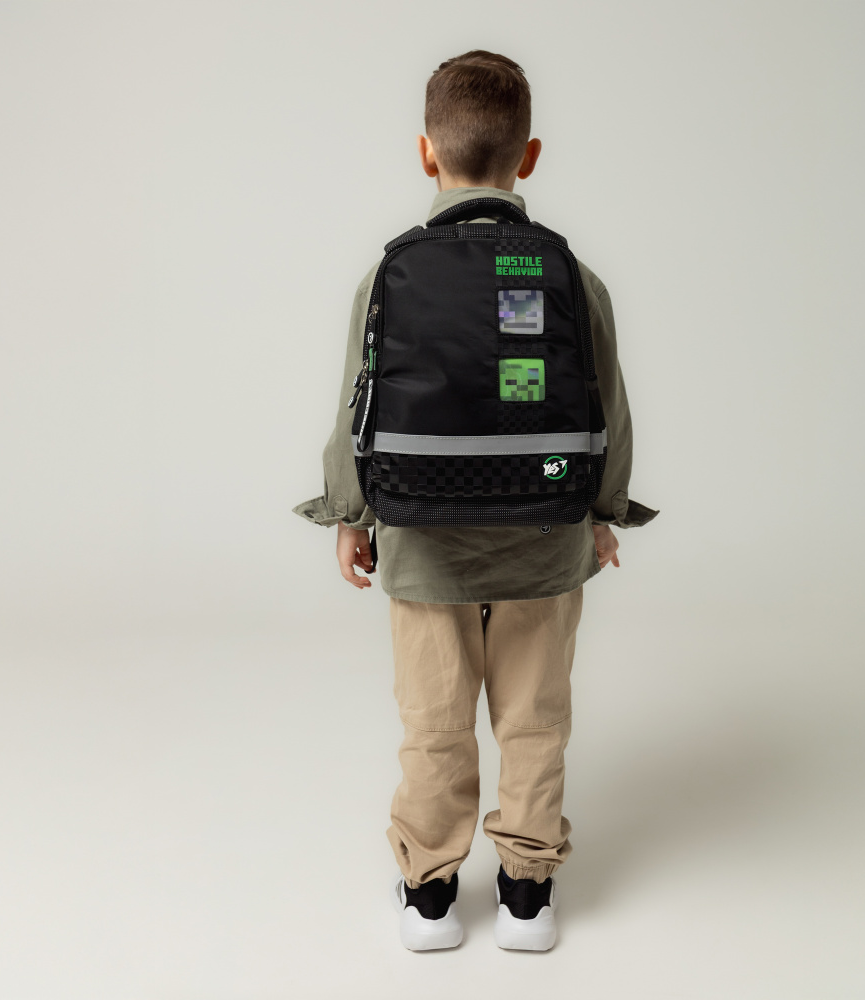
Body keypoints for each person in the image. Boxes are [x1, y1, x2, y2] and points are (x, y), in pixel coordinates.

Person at [294, 50, 658, 952]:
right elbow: (608, 408)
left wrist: (350, 515)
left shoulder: (391, 273)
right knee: (534, 722)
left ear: (427, 152)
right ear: (527, 157)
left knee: (434, 724)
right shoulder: (567, 273)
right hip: (545, 534)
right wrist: (602, 514)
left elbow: (356, 407)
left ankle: (429, 897)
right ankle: (527, 895)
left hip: (423, 541)